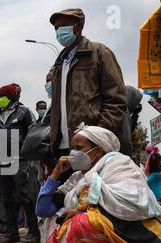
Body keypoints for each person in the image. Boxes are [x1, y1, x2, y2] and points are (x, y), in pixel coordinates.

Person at [48, 8, 127, 165]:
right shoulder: (59, 64)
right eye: (56, 28)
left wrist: (97, 137)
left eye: (64, 25)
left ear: (79, 26)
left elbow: (116, 100)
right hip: (63, 148)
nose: (59, 31)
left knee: (93, 189)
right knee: (69, 190)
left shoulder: (99, 53)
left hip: (92, 148)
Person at [0, 83, 40, 243]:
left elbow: (33, 135)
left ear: (10, 97)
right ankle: (11, 233)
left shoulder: (25, 113)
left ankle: (33, 232)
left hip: (21, 160)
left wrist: (31, 158)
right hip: (2, 162)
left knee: (25, 196)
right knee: (7, 198)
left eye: (2, 97)